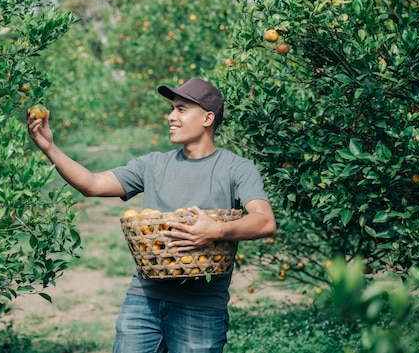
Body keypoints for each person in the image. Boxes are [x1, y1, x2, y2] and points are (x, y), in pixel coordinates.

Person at [27, 77, 276, 353]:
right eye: (172, 109)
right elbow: (92, 184)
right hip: (142, 301)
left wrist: (216, 231)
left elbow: (264, 220)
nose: (171, 116)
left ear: (207, 118)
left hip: (201, 309)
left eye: (181, 109)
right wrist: (48, 147)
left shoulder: (236, 168)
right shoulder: (153, 164)